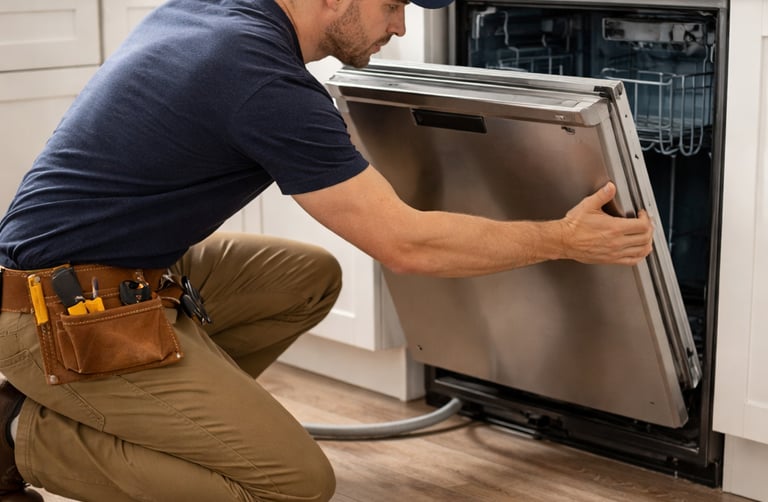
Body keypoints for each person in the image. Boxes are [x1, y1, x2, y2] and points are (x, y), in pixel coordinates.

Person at [0, 0, 654, 499]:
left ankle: (165, 416)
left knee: (306, 276)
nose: (399, 27)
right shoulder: (260, 79)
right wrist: (562, 239)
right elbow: (405, 245)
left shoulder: (220, 19)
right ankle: (19, 438)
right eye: (394, 5)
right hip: (53, 318)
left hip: (108, 279)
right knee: (292, 482)